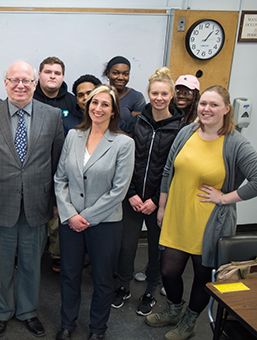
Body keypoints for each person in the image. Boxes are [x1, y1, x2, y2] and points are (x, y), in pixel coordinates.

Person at [146, 85, 257, 340]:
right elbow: (167, 172)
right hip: (177, 215)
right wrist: (162, 207)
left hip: (210, 222)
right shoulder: (187, 132)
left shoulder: (235, 142)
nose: (207, 109)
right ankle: (174, 310)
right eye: (204, 103)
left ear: (227, 109)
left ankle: (190, 321)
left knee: (202, 274)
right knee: (168, 271)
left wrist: (225, 198)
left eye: (214, 104)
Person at [0, 60, 65, 338]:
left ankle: (27, 311)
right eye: (15, 80)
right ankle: (0, 312)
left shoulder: (52, 115)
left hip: (37, 204)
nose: (21, 85)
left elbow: (57, 161)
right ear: (5, 83)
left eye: (26, 80)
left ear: (35, 83)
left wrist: (55, 202)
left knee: (30, 263)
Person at [54, 85, 135, 340]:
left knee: (102, 279)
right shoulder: (73, 136)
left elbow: (119, 191)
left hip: (105, 223)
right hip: (71, 221)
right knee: (69, 275)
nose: (98, 108)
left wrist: (86, 217)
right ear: (87, 106)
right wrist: (70, 214)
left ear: (114, 111)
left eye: (105, 104)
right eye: (94, 102)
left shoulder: (124, 143)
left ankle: (98, 329)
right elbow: (60, 179)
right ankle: (67, 324)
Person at [113, 67, 186, 317]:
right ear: (149, 93)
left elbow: (176, 169)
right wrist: (131, 192)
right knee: (126, 246)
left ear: (171, 95)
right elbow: (125, 160)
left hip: (160, 201)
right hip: (131, 199)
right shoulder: (136, 122)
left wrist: (156, 200)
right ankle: (124, 286)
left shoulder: (181, 129)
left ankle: (151, 291)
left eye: (164, 93)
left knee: (156, 248)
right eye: (155, 93)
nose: (159, 98)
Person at [32, 56, 76, 273]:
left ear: (63, 77)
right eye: (48, 72)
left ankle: (58, 255)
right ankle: (30, 255)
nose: (52, 76)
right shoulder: (27, 97)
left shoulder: (72, 102)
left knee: (58, 215)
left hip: (62, 168)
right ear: (39, 74)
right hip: (34, 168)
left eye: (57, 73)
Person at [103, 56, 146, 123]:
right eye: (116, 73)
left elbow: (137, 127)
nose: (121, 77)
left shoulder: (136, 97)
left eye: (125, 74)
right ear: (108, 74)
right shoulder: (100, 94)